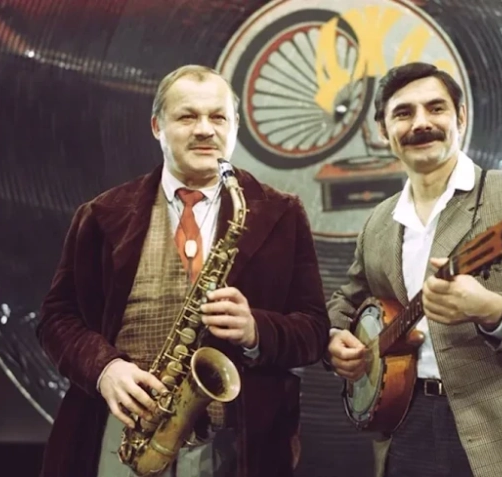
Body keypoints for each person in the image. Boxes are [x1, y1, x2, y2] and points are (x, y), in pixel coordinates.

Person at [36, 64, 330, 477]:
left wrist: (255, 330)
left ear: (235, 126)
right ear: (157, 126)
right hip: (123, 437)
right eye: (187, 116)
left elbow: (314, 330)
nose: (205, 130)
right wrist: (105, 369)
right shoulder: (101, 214)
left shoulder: (282, 213)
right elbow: (56, 319)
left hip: (240, 448)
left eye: (218, 117)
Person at [325, 62, 502, 477]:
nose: (421, 123)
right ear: (383, 131)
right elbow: (345, 302)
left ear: (460, 117)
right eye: (403, 113)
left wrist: (491, 309)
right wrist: (336, 338)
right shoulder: (378, 222)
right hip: (404, 427)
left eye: (436, 108)